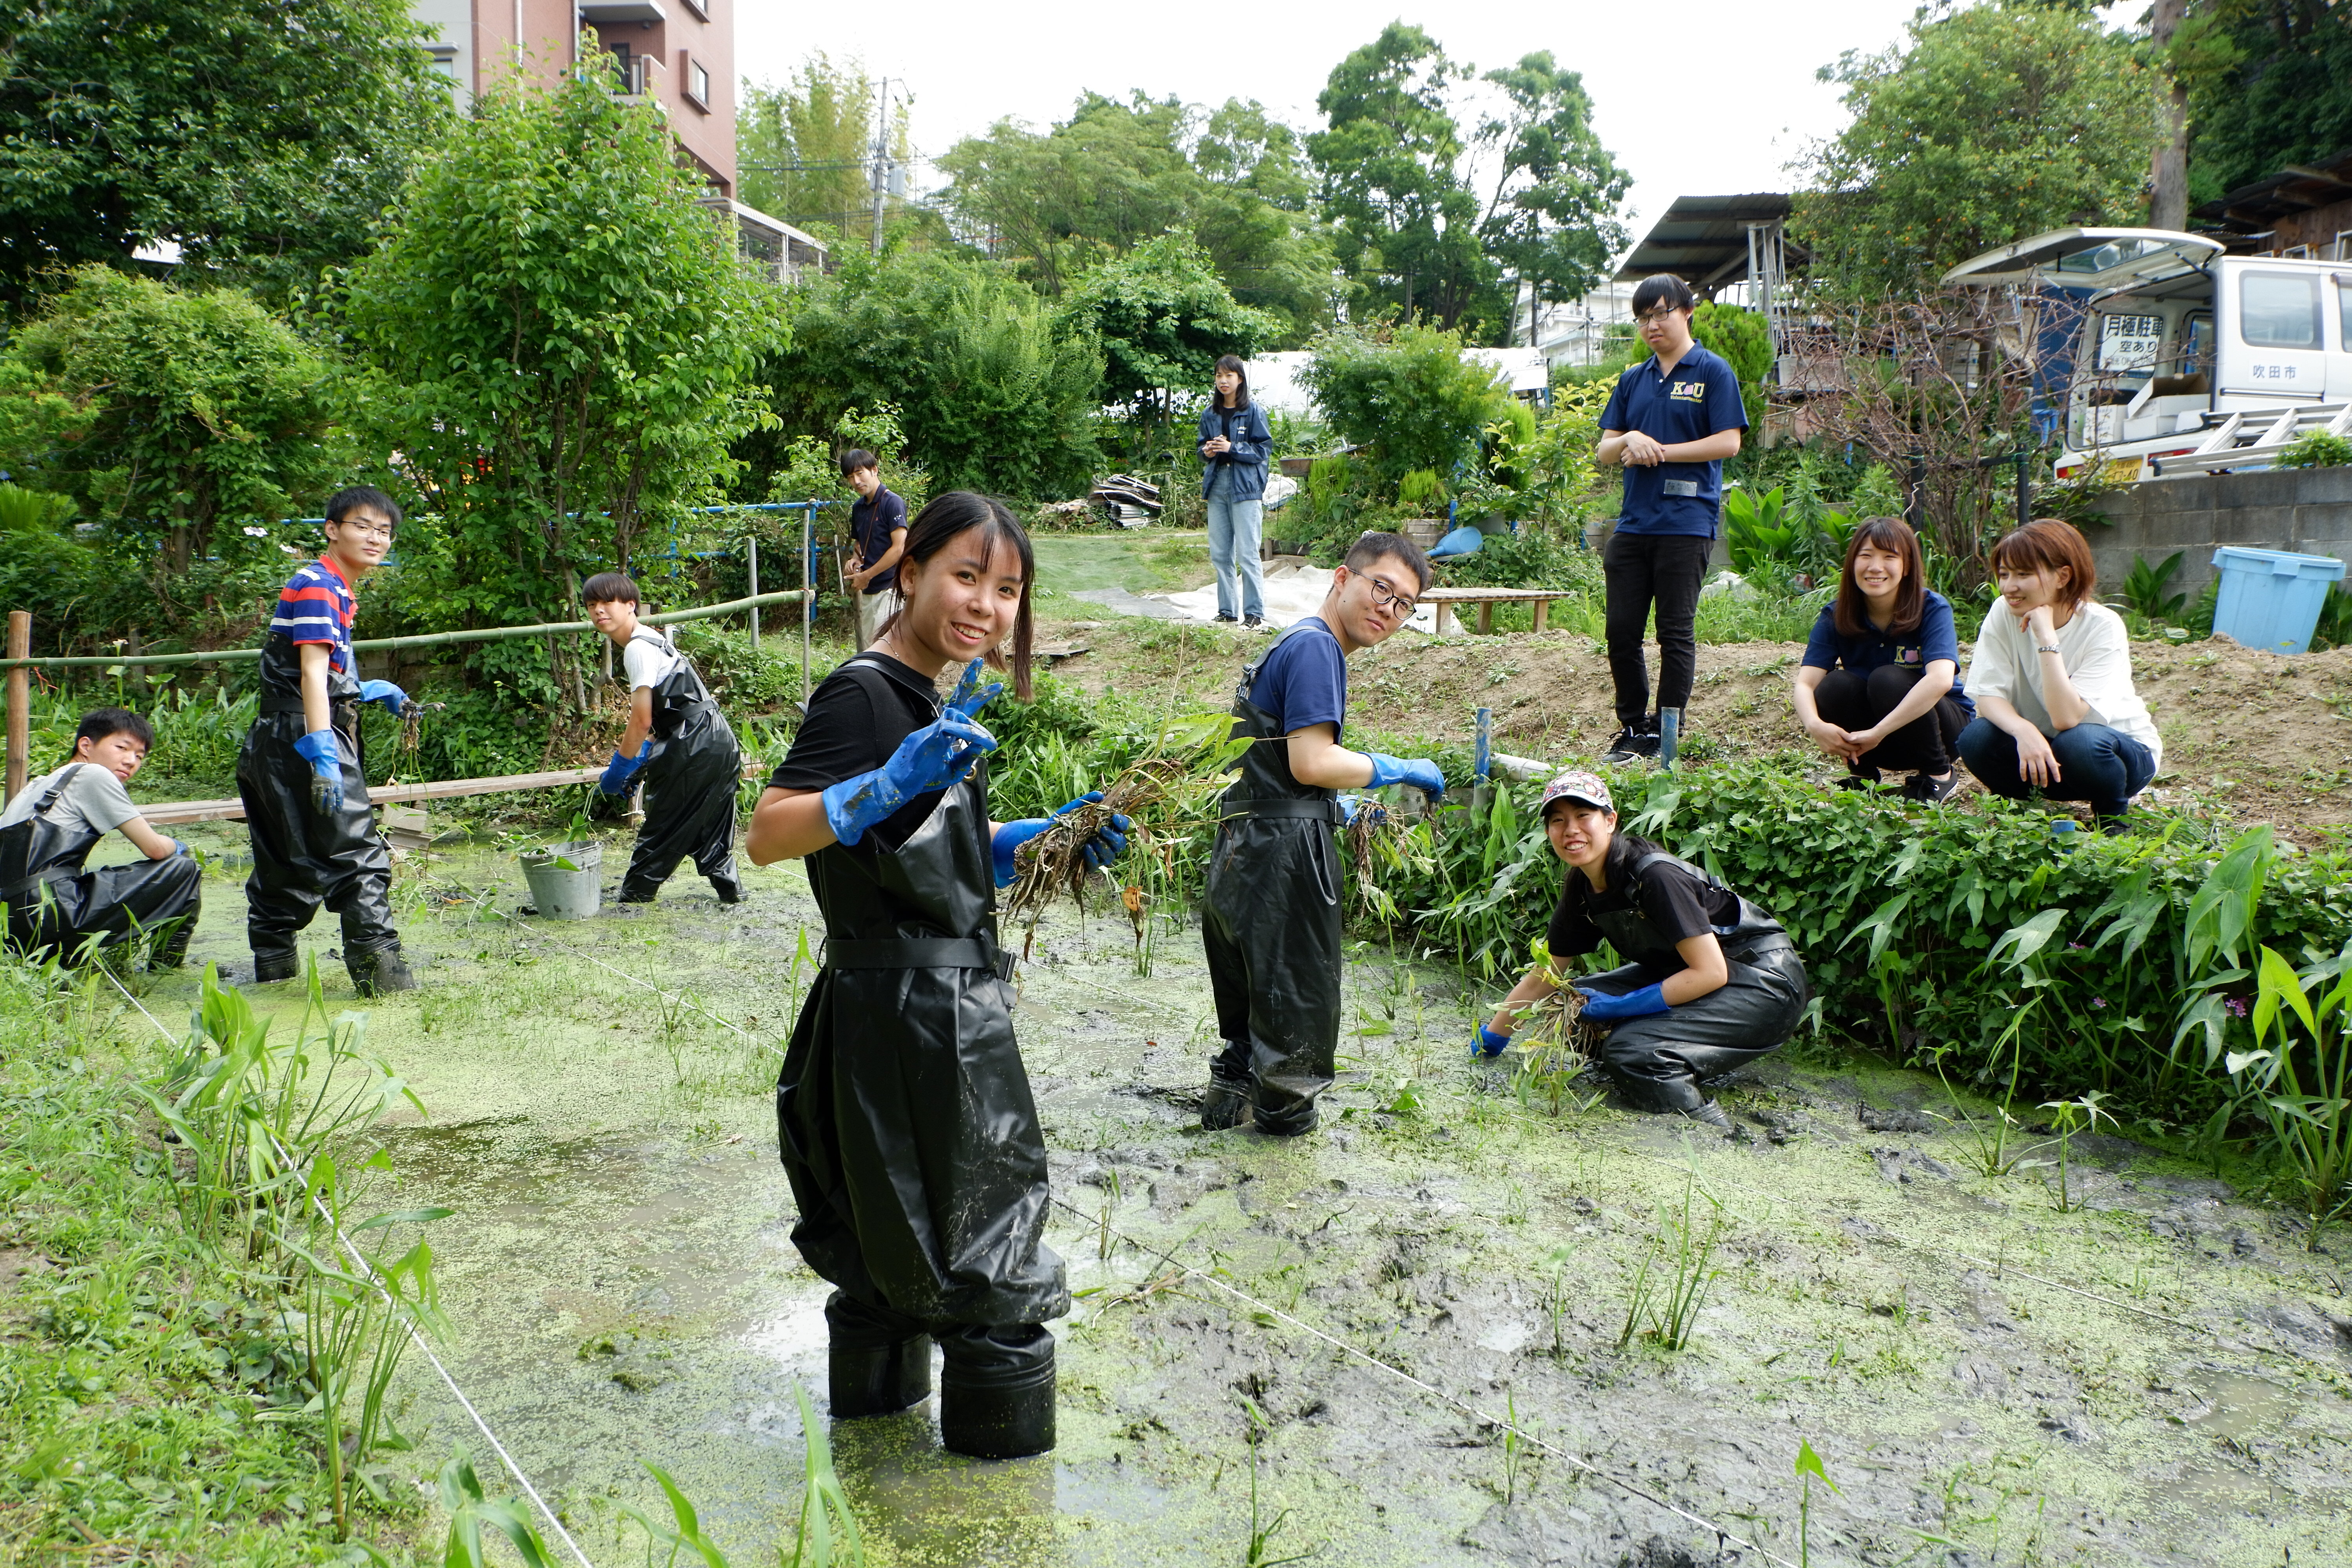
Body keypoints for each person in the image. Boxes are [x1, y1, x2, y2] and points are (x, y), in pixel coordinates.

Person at [748, 492, 1127, 1461]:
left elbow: (916, 853)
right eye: (967, 575)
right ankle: (995, 1490)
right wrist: (873, 784)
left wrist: (1034, 842)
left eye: (1008, 590)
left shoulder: (929, 700)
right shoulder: (868, 693)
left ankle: (876, 1453)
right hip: (919, 1016)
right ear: (908, 572)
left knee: (890, 1257)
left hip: (908, 1001)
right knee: (989, 1268)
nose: (987, 606)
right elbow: (768, 833)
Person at [1201, 530, 1448, 1137]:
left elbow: (1275, 775)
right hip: (1283, 867)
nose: (1387, 609)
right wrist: (1398, 768)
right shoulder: (1318, 650)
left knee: (1248, 1040)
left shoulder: (1286, 645)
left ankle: (1220, 1137)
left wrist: (1341, 810)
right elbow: (1312, 762)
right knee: (1293, 1048)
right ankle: (1283, 1191)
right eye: (1380, 588)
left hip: (1243, 855)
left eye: (1404, 604)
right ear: (1342, 578)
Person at [1473, 771, 1807, 1132]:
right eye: (1558, 820)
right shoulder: (1582, 887)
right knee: (1572, 1007)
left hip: (1764, 984)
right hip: (1692, 975)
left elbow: (1712, 972)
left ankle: (1707, 1127)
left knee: (1631, 1052)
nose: (1571, 829)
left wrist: (1621, 1007)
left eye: (1583, 816)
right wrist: (1494, 1037)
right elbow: (1546, 977)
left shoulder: (1656, 876)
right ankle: (1661, 1060)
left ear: (1610, 821)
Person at [236, 486, 414, 995]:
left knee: (284, 863)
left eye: (384, 530)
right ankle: (384, 979)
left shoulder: (328, 585)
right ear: (332, 530)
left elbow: (312, 670)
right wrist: (323, 752)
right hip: (305, 732)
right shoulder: (320, 586)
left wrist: (364, 689)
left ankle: (273, 966)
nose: (375, 538)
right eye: (362, 526)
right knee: (357, 858)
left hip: (272, 738)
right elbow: (312, 675)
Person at [1595, 275, 1748, 763]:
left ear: (1687, 313)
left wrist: (1657, 451)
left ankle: (1667, 729)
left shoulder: (1713, 371)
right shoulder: (1633, 379)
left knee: (1674, 632)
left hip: (1686, 521)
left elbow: (1728, 442)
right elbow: (1604, 450)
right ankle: (1632, 728)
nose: (1651, 325)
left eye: (1661, 313)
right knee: (1621, 631)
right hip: (1635, 524)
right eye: (1643, 318)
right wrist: (1628, 440)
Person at [1957, 519, 2161, 830]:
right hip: (2047, 758)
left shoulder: (2103, 626)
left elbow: (2067, 719)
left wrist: (2048, 640)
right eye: (2004, 574)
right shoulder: (2003, 612)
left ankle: (2111, 817)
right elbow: (1988, 695)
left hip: (2117, 758)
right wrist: (2024, 732)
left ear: (2063, 576)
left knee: (2079, 741)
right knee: (1976, 737)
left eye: (2024, 574)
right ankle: (2024, 812)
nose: (2010, 586)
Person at [584, 573, 746, 905]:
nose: (599, 611)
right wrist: (644, 757)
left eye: (607, 602)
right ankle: (732, 897)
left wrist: (620, 768)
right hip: (717, 739)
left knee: (661, 830)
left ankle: (633, 900)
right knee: (712, 833)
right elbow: (670, 711)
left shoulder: (638, 649)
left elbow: (641, 720)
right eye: (591, 605)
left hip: (694, 743)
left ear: (631, 605)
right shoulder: (652, 640)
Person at [0, 708, 201, 968]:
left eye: (140, 756)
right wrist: (179, 846)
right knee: (183, 868)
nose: (131, 761)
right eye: (122, 748)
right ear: (86, 745)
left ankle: (69, 958)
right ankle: (165, 966)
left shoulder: (38, 784)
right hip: (53, 915)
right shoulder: (93, 774)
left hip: (10, 923)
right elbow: (155, 849)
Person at [1793, 516, 1974, 802]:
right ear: (1853, 563)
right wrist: (1814, 726)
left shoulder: (1931, 608)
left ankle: (1940, 776)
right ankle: (1862, 777)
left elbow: (1940, 680)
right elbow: (1806, 684)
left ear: (1907, 567)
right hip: (1875, 743)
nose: (1875, 568)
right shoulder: (1836, 614)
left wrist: (1879, 731)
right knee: (1835, 685)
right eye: (1866, 556)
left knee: (1887, 679)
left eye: (1889, 557)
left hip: (1942, 732)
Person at [1197, 354, 1272, 629]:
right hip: (1217, 485)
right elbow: (1200, 450)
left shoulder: (1254, 411)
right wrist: (1207, 451)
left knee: (1248, 553)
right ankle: (1227, 611)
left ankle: (1254, 613)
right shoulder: (1210, 414)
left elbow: (1263, 451)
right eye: (1218, 376)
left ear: (1240, 379)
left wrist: (1232, 448)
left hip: (1245, 488)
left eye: (1229, 375)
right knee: (1220, 553)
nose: (1223, 381)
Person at [844, 450, 907, 651]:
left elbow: (899, 548)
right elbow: (859, 543)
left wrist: (867, 575)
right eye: (851, 477)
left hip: (891, 589)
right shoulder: (858, 508)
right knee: (869, 650)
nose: (856, 481)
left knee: (886, 649)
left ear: (874, 470)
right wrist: (855, 559)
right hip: (869, 591)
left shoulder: (893, 503)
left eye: (860, 473)